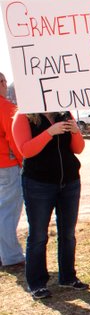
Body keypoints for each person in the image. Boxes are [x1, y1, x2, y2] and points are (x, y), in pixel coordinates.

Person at [12, 108, 87, 299]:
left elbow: (77, 149)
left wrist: (76, 132)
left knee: (68, 233)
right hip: (38, 183)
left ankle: (68, 277)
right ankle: (37, 284)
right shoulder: (23, 117)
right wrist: (49, 133)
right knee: (38, 235)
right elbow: (26, 150)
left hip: (69, 181)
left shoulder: (65, 114)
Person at [0, 71, 25, 268]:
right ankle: (11, 256)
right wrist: (23, 161)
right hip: (6, 165)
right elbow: (14, 139)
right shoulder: (6, 107)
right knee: (8, 211)